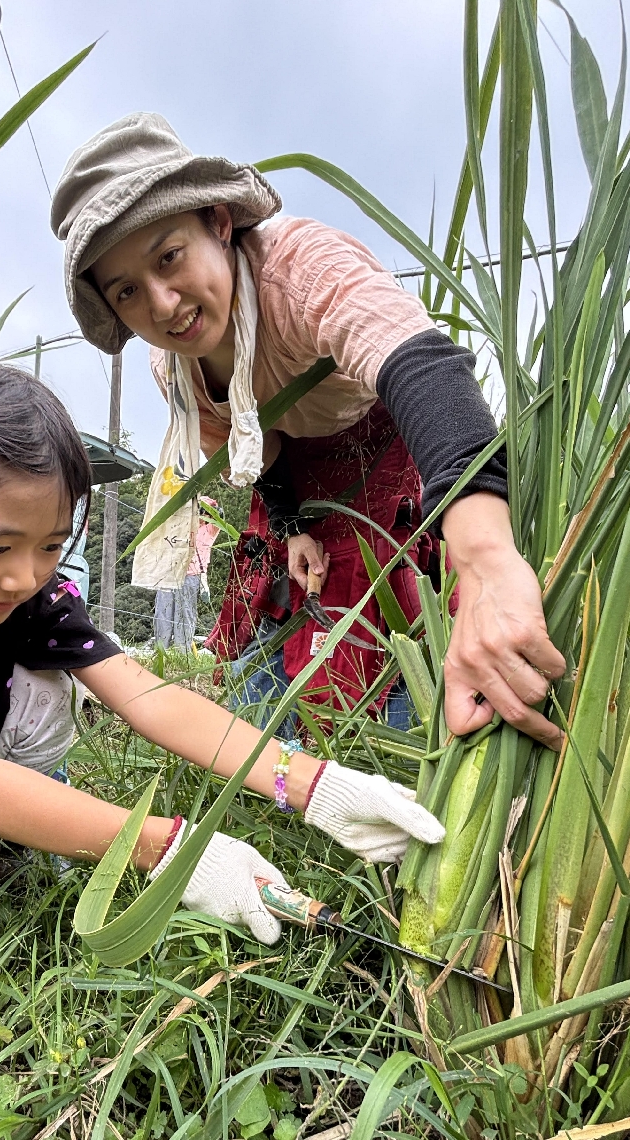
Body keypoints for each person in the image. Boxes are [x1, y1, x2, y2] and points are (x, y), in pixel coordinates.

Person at [0, 359, 444, 1077]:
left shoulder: (26, 595)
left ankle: (10, 856)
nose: (24, 576)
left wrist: (313, 784)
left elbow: (145, 695)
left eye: (51, 546)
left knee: (44, 685)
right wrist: (171, 850)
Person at [50, 113, 567, 747]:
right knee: (281, 631)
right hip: (298, 474)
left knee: (386, 622)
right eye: (128, 290)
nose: (163, 304)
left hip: (388, 449)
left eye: (170, 256)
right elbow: (258, 452)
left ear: (219, 222)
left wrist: (486, 562)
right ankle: (274, 760)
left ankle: (407, 743)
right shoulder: (174, 370)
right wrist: (291, 526)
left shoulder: (299, 269)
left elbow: (422, 367)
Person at [153, 496, 220, 649]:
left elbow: (218, 515)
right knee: (163, 612)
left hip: (191, 575)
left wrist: (206, 508)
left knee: (184, 614)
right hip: (168, 573)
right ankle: (160, 650)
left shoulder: (209, 529)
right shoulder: (179, 524)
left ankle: (182, 652)